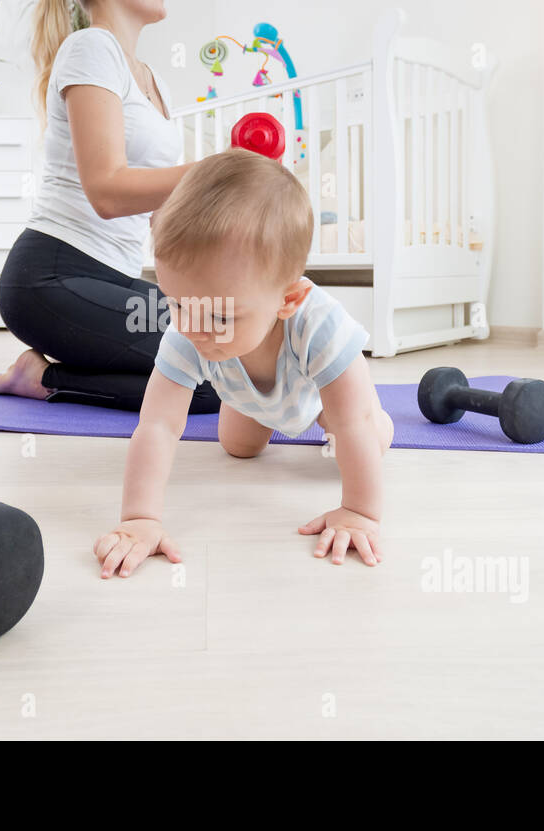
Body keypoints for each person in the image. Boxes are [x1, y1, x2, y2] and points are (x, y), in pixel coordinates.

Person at [92, 148, 396, 578]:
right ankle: (251, 402)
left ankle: (381, 424)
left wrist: (359, 513)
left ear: (288, 300)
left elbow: (353, 425)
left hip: (319, 396)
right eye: (178, 303)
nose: (195, 326)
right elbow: (158, 425)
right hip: (246, 390)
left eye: (219, 315)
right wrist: (140, 518)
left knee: (361, 434)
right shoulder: (190, 328)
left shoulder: (321, 326)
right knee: (238, 448)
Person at [0, 0, 220, 414]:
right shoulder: (90, 49)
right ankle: (42, 377)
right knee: (210, 378)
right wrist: (213, 174)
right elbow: (108, 191)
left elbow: (160, 215)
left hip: (115, 278)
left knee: (230, 342)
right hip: (50, 278)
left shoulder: (156, 82)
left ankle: (52, 369)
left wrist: (202, 295)